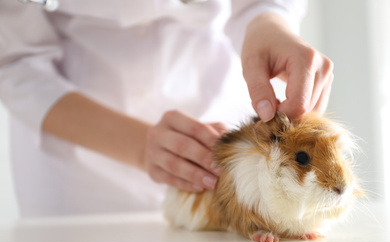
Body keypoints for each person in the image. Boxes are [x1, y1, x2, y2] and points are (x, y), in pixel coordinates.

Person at [0, 0, 333, 217]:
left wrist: (268, 21)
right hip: (79, 171)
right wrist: (139, 147)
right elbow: (15, 62)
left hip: (219, 127)